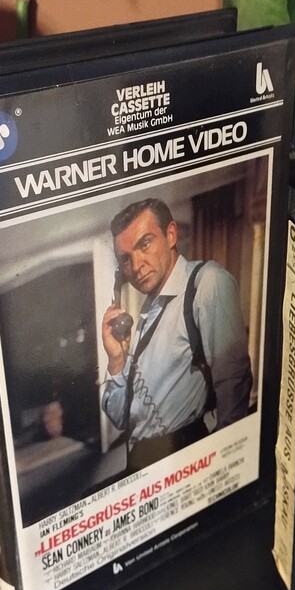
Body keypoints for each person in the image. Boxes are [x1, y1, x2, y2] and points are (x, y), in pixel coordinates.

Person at [100, 198, 252, 471]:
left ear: (170, 235)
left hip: (182, 457)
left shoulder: (206, 283)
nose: (136, 265)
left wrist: (221, 468)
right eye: (125, 259)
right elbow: (120, 418)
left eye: (145, 244)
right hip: (140, 462)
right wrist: (116, 361)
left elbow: (234, 387)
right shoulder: (147, 312)